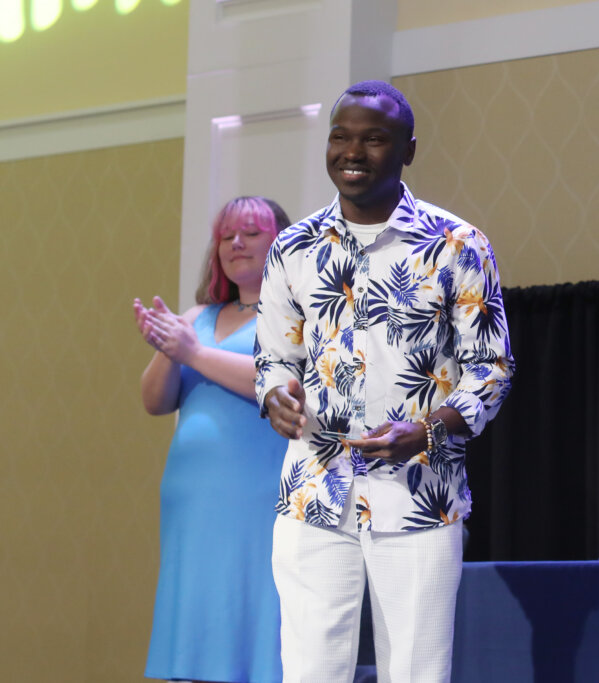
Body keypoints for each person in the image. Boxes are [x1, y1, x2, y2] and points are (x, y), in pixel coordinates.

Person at [254, 80, 514, 682]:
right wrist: (275, 395)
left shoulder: (458, 245)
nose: (353, 152)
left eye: (374, 139)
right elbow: (274, 357)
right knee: (310, 671)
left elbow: (492, 369)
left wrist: (427, 429)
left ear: (409, 150)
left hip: (420, 497)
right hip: (313, 495)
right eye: (341, 137)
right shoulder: (293, 249)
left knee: (418, 672)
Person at [134, 196, 291, 683]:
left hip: (255, 497)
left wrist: (193, 352)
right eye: (226, 236)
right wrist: (169, 348)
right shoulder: (198, 314)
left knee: (250, 620)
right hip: (191, 501)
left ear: (280, 242)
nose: (236, 244)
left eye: (251, 233)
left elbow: (282, 386)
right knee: (196, 623)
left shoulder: (294, 314)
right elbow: (155, 401)